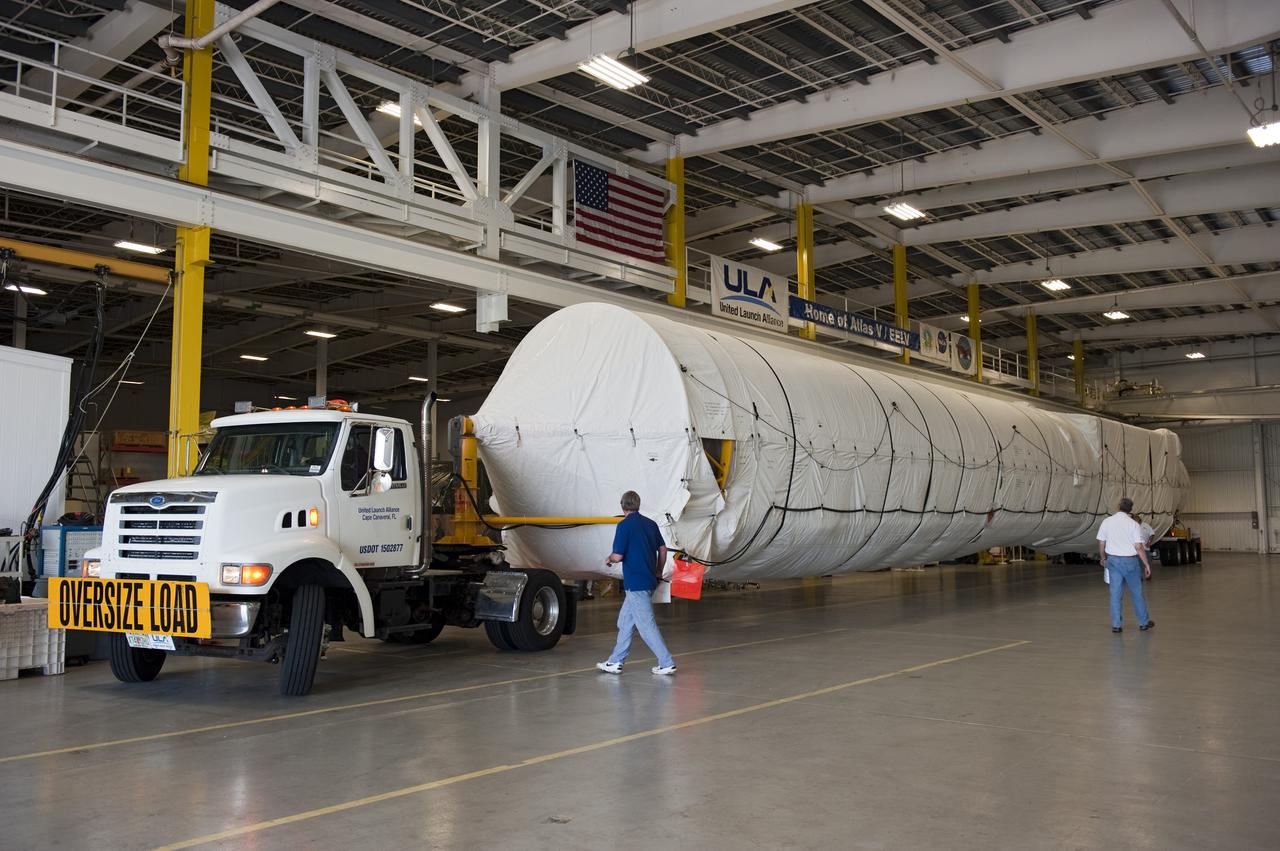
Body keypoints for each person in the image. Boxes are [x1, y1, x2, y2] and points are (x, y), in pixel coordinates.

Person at [596, 490, 676, 675]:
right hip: (648, 580)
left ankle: (666, 662)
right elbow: (663, 550)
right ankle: (615, 661)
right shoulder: (650, 524)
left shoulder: (624, 526)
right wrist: (658, 571)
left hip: (635, 584)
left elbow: (618, 556)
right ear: (638, 504)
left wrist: (609, 559)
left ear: (622, 506)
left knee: (646, 625)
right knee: (625, 621)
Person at [1097, 497, 1154, 633]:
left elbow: (1101, 542)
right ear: (1130, 510)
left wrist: (1103, 558)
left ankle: (1116, 625)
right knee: (1136, 592)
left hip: (1113, 562)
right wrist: (1146, 565)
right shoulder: (1133, 524)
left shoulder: (1107, 521)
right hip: (1130, 561)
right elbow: (1139, 547)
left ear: (1118, 507)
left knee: (1115, 594)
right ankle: (1143, 623)